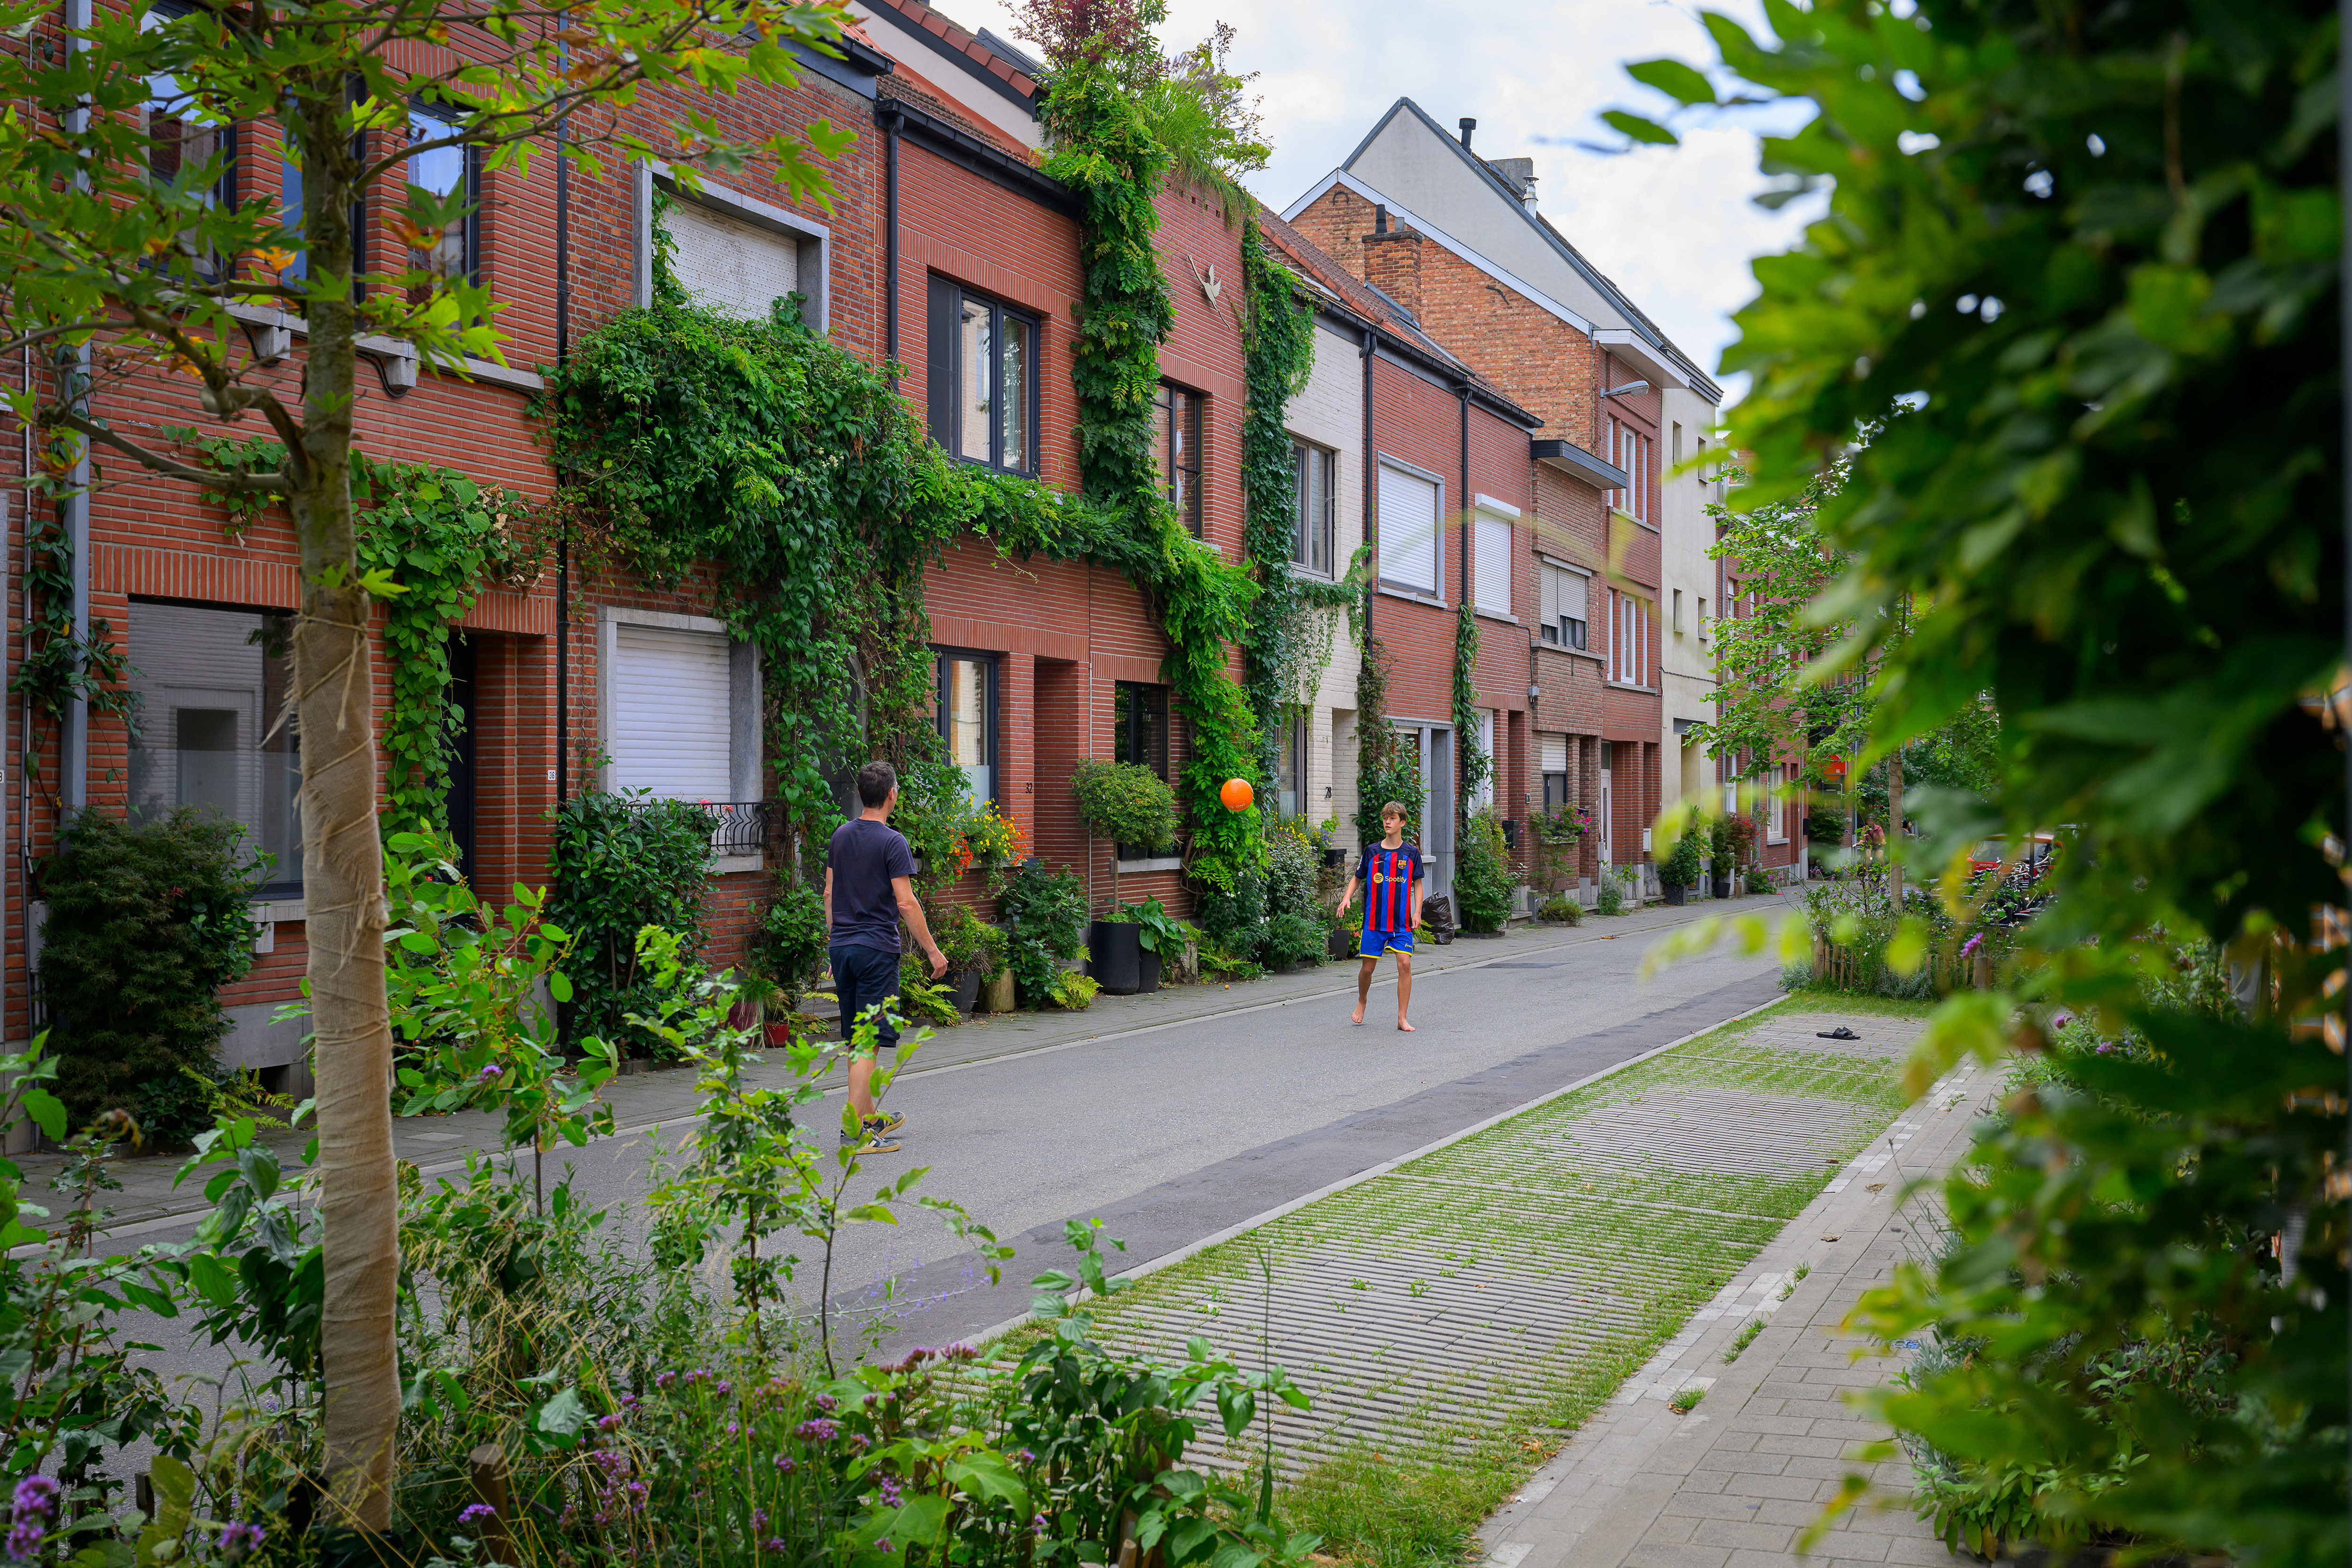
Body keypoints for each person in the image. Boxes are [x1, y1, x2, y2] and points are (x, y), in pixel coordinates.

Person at [823, 760, 947, 1154]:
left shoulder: (840, 836)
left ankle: (868, 1114)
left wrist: (835, 942)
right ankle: (853, 1132)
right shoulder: (892, 841)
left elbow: (828, 894)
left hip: (843, 947)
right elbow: (906, 903)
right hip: (875, 950)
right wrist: (932, 950)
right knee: (867, 1041)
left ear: (861, 794)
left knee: (858, 1041)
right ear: (891, 794)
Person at [1338, 801, 1422, 1031]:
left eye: (1393, 818)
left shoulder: (1412, 853)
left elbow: (1418, 884)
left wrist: (1417, 912)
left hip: (1401, 923)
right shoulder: (1372, 851)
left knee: (1405, 965)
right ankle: (1362, 1001)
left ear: (1402, 823)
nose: (1388, 821)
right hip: (1375, 922)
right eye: (1386, 817)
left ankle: (1402, 1018)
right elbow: (1357, 877)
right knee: (1367, 969)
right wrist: (1347, 898)